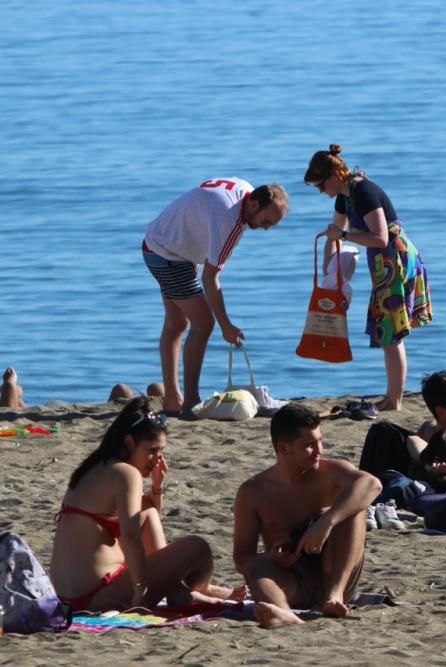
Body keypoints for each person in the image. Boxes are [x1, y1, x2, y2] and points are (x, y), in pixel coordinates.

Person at [49, 398, 239, 612]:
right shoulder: (126, 474)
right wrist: (141, 590)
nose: (157, 459)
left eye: (161, 451)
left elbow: (148, 514)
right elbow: (131, 536)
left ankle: (181, 590)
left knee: (147, 511)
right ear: (129, 442)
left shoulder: (97, 467)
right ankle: (191, 591)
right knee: (198, 547)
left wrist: (157, 487)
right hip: (98, 596)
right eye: (152, 450)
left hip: (68, 596)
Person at [142, 178, 288, 415]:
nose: (266, 228)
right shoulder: (229, 220)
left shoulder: (245, 193)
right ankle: (189, 399)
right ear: (254, 205)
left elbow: (200, 210)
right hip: (166, 254)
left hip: (166, 243)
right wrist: (226, 325)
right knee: (204, 323)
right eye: (266, 221)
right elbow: (211, 279)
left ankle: (172, 398)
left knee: (177, 323)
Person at [305, 145, 433, 412]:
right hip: (381, 262)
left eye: (320, 185)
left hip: (394, 258)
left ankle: (393, 400)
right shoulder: (344, 196)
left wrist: (341, 237)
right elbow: (335, 232)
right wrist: (332, 276)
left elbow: (380, 236)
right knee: (387, 329)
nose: (321, 192)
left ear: (334, 175)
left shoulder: (363, 191)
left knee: (391, 330)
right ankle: (392, 396)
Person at [233, 403, 381, 628]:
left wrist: (326, 522)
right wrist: (271, 557)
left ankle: (335, 596)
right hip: (292, 581)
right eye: (310, 445)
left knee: (352, 508)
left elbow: (372, 484)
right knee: (254, 568)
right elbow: (241, 558)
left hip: (333, 572)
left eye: (320, 441)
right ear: (284, 449)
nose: (320, 450)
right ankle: (284, 614)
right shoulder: (253, 492)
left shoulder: (331, 473)